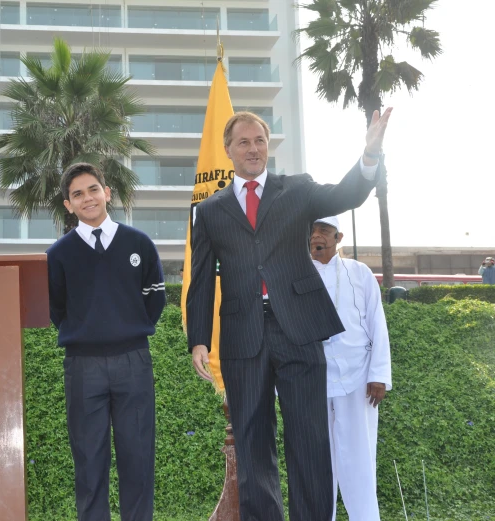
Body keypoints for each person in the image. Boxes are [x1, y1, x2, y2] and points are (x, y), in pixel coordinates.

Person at [186, 108, 392, 521]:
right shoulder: (209, 211)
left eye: (260, 140)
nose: (253, 148)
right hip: (243, 336)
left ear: (268, 147)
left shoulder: (296, 189)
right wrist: (198, 338)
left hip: (298, 329)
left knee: (310, 440)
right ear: (228, 150)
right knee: (253, 442)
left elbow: (345, 195)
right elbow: (203, 279)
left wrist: (369, 155)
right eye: (243, 141)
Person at [46, 163, 166, 521]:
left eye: (93, 189)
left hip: (133, 361)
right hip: (83, 367)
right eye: (78, 194)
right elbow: (56, 308)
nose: (88, 198)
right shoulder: (58, 254)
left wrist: (127, 328)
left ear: (107, 192)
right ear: (68, 205)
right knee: (89, 461)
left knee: (138, 458)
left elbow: (155, 298)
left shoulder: (138, 243)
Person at [310, 216, 392, 521]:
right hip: (313, 379)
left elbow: (376, 322)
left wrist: (379, 375)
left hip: (358, 379)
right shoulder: (297, 272)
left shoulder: (359, 272)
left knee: (359, 458)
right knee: (318, 463)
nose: (316, 236)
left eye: (324, 231)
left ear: (338, 237)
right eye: (312, 230)